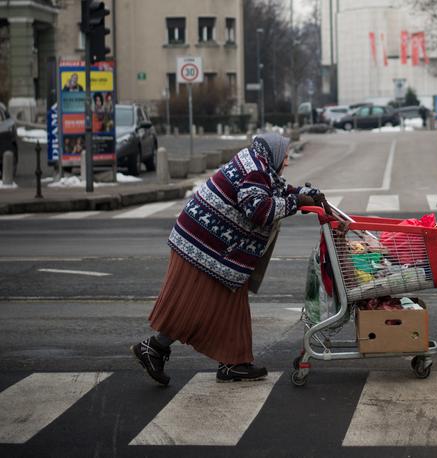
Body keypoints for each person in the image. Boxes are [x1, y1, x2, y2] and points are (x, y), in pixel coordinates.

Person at [131, 133, 325, 386]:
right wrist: (296, 201)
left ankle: (233, 362)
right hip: (201, 245)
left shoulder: (258, 164)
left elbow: (274, 188)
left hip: (209, 244)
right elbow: (258, 209)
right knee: (192, 307)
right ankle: (155, 348)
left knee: (225, 305)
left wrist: (301, 194)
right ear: (274, 154)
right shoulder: (255, 170)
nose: (286, 162)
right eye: (285, 157)